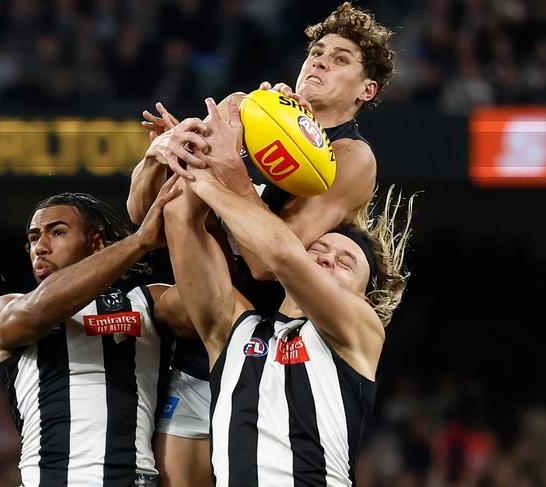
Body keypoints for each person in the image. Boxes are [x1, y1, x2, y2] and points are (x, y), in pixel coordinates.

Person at [128, 3, 396, 485]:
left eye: (340, 59)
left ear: (366, 90)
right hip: (209, 336)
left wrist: (226, 172)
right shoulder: (250, 110)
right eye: (316, 52)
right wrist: (162, 155)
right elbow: (142, 216)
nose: (319, 62)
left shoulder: (351, 157)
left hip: (269, 348)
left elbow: (269, 262)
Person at [163, 97, 415, 485]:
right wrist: (200, 147)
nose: (327, 261)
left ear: (362, 298)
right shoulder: (236, 329)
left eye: (345, 264)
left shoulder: (359, 331)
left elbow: (282, 255)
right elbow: (178, 217)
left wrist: (221, 174)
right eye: (320, 251)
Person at [0, 180, 189, 487]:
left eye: (57, 232)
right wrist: (139, 242)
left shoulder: (149, 302)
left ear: (96, 243)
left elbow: (210, 306)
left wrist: (191, 210)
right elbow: (35, 313)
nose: (40, 247)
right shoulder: (8, 307)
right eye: (33, 237)